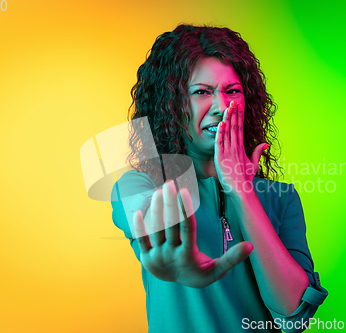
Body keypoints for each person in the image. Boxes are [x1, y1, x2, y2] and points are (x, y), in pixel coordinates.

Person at [111, 24, 328, 332]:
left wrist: (242, 191)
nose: (222, 107)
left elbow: (292, 314)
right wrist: (173, 262)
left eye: (232, 91)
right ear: (172, 104)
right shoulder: (141, 186)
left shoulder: (280, 197)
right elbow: (153, 228)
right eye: (201, 92)